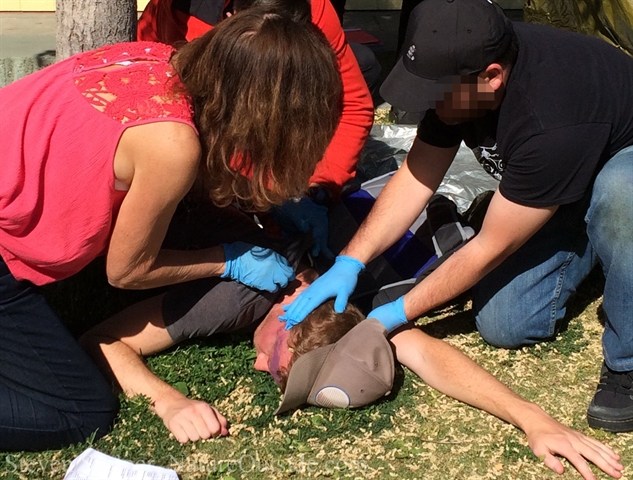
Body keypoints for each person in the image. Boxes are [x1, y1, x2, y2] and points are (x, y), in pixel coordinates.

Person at [282, 0, 633, 434]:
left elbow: (488, 247)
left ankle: (627, 361)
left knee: (621, 198)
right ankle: (565, 218)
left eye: (436, 95)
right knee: (507, 324)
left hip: (619, 162)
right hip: (561, 177)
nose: (427, 106)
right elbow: (416, 177)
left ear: (491, 77)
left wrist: (393, 313)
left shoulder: (549, 121)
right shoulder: (457, 76)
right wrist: (350, 261)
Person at [0, 9, 343, 451]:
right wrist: (229, 259)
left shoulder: (161, 61)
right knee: (81, 411)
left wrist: (266, 208)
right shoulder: (172, 147)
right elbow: (126, 273)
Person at [80, 238, 624, 480]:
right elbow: (102, 339)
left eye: (273, 375)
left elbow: (425, 353)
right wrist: (169, 402)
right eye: (273, 364)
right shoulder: (238, 297)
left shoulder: (347, 311)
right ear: (288, 313)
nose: (255, 368)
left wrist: (533, 419)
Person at [137, 0, 376, 257]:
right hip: (206, 152)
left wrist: (319, 188)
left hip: (260, 154)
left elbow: (353, 107)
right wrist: (263, 193)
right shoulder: (177, 14)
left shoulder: (312, 6)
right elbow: (179, 124)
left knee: (367, 63)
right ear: (232, 17)